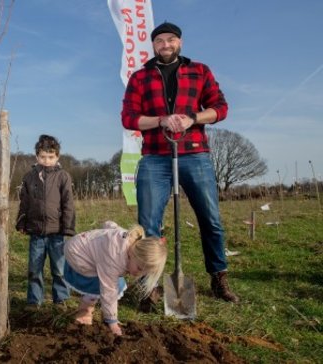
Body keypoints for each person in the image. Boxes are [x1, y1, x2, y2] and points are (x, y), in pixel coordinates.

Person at [120, 22, 239, 308]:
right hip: (155, 157)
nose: (165, 44)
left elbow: (220, 108)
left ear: (180, 43)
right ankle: (149, 284)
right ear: (154, 45)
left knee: (210, 218)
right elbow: (129, 118)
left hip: (195, 153)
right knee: (148, 223)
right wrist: (161, 120)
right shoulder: (141, 77)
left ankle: (218, 275)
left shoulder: (200, 71)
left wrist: (192, 118)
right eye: (159, 40)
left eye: (170, 39)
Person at [64, 221, 166, 336]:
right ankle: (84, 313)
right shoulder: (115, 257)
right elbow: (109, 291)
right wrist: (112, 321)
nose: (139, 273)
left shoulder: (132, 240)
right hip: (77, 254)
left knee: (116, 283)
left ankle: (103, 312)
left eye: (144, 272)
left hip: (84, 245)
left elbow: (110, 225)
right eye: (139, 268)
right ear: (133, 253)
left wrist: (106, 227)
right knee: (100, 285)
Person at [16, 134, 75, 307]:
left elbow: (68, 204)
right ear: (36, 156)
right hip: (36, 232)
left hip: (57, 233)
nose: (46, 160)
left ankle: (61, 299)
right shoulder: (29, 177)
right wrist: (21, 222)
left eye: (50, 157)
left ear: (57, 157)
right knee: (35, 269)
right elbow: (24, 202)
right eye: (43, 156)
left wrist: (68, 228)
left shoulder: (63, 176)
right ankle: (34, 301)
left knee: (59, 269)